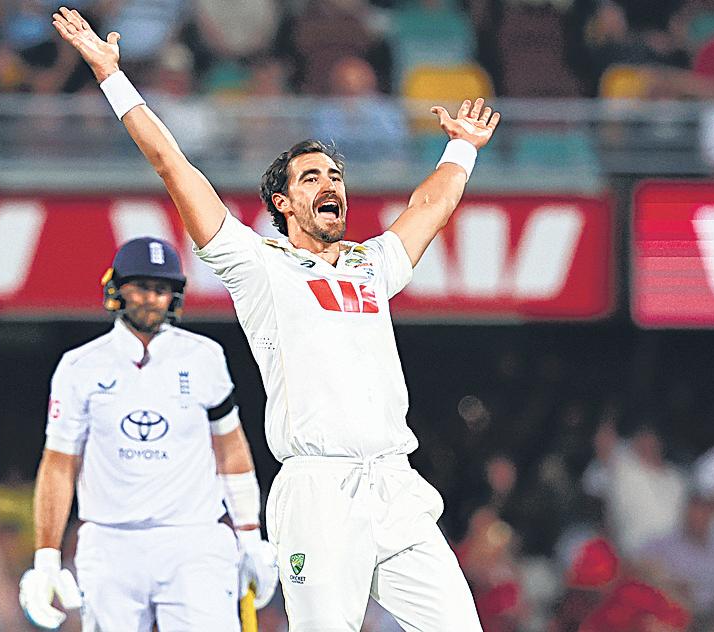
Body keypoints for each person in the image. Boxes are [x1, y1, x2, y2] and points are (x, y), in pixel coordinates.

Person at [51, 7, 499, 630]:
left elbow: (430, 204)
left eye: (335, 175)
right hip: (319, 493)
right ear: (283, 202)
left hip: (396, 486)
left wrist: (460, 148)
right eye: (311, 176)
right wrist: (112, 78)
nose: (329, 183)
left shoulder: (373, 264)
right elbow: (172, 165)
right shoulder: (258, 266)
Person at [18, 237, 277, 631]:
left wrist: (250, 535)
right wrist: (47, 558)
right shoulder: (79, 368)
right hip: (110, 540)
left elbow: (231, 451)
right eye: (141, 287)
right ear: (116, 287)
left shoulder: (205, 357)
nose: (151, 299)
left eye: (161, 289)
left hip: (193, 539)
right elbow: (58, 465)